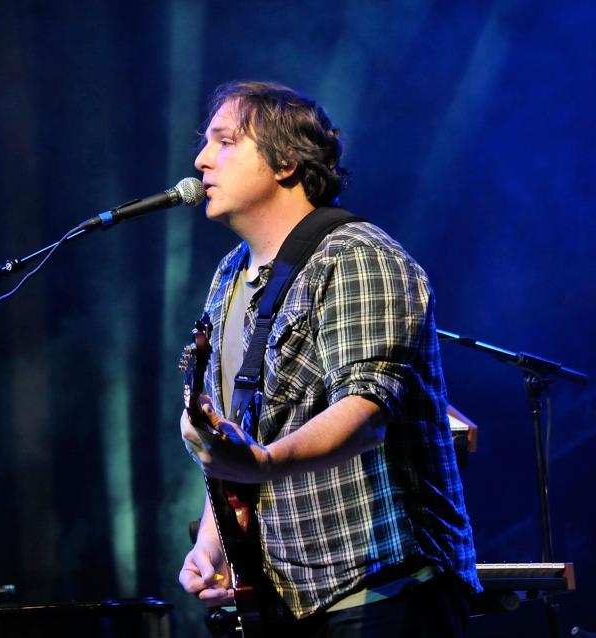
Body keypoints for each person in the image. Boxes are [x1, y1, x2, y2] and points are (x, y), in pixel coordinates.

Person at [178, 80, 480, 637]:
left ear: (286, 160)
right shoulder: (228, 276)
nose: (200, 160)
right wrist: (213, 542)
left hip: (381, 590)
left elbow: (365, 411)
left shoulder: (358, 256)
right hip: (289, 599)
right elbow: (240, 434)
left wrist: (263, 464)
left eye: (224, 141)